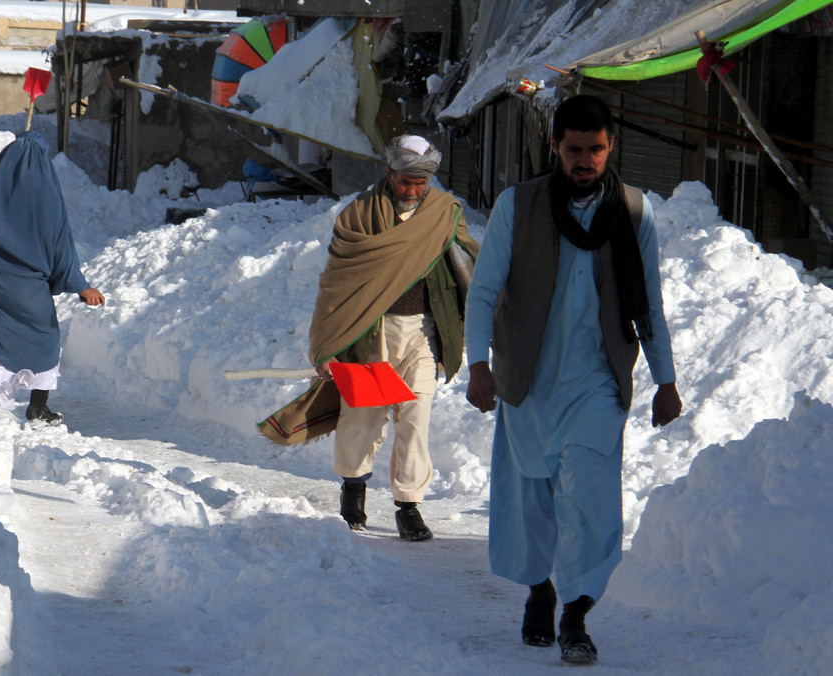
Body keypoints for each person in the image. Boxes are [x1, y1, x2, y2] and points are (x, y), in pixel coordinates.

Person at [463, 95, 681, 665]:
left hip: (599, 381)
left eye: (596, 150)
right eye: (574, 150)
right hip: (529, 376)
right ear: (556, 147)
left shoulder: (634, 211)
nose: (585, 161)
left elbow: (649, 300)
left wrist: (665, 379)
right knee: (532, 494)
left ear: (611, 148)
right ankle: (540, 587)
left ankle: (577, 611)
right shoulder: (520, 205)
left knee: (588, 493)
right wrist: (479, 365)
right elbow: (484, 290)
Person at [288, 134, 478, 541]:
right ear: (390, 173)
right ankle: (353, 491)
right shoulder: (358, 215)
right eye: (407, 181)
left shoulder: (445, 213)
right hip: (370, 332)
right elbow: (337, 285)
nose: (413, 190)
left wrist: (480, 321)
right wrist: (326, 344)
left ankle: (408, 506)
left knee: (415, 419)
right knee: (362, 418)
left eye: (421, 183)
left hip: (423, 333)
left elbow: (468, 267)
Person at [0, 132, 104, 428]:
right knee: (46, 344)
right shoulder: (46, 197)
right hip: (30, 292)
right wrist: (80, 286)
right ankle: (38, 408)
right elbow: (61, 249)